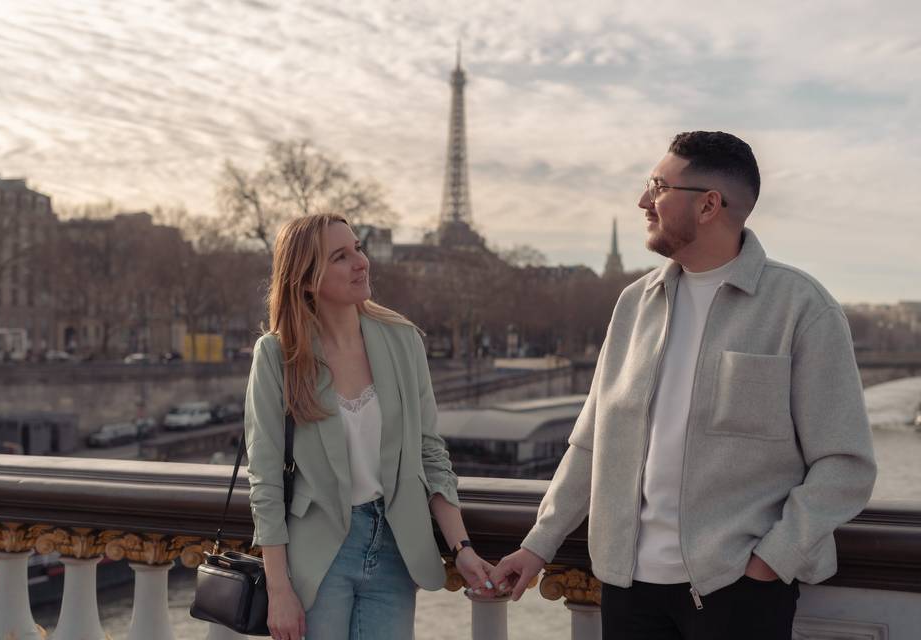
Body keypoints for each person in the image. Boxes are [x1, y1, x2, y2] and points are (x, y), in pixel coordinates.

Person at [490, 131, 876, 639]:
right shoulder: (633, 304)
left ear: (709, 204)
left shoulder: (800, 307)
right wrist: (539, 543)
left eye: (658, 186)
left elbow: (845, 464)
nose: (643, 200)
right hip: (627, 591)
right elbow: (591, 443)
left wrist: (770, 561)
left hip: (737, 592)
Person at [244, 213, 494, 640]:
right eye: (341, 256)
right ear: (305, 280)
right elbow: (265, 481)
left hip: (395, 547)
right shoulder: (277, 356)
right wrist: (279, 588)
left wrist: (462, 547)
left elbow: (429, 453)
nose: (361, 262)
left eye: (358, 248)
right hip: (319, 555)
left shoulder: (403, 341)